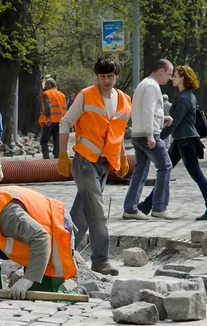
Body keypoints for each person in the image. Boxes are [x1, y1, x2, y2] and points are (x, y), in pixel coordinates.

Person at [57, 53, 131, 276]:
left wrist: (123, 155)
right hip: (85, 162)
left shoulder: (124, 100)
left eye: (109, 76)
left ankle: (61, 253)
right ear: (97, 76)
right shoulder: (86, 96)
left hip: (104, 165)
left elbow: (116, 133)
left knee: (81, 215)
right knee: (98, 213)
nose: (106, 80)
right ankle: (100, 260)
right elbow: (65, 122)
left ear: (116, 76)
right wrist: (62, 155)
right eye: (102, 76)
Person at [0, 186, 77, 299]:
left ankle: (75, 293)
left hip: (56, 232)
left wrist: (27, 279)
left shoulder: (8, 215)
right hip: (30, 238)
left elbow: (41, 238)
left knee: (41, 299)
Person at [140, 65, 207, 221]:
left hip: (185, 141)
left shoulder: (184, 98)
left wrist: (158, 138)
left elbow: (174, 123)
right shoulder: (186, 95)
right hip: (181, 140)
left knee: (196, 175)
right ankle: (146, 206)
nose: (172, 78)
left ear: (182, 78)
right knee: (165, 172)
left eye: (175, 75)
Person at [122, 59, 177, 221]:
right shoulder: (153, 86)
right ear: (161, 71)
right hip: (148, 135)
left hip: (138, 134)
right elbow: (147, 110)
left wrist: (162, 117)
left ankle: (130, 208)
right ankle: (160, 207)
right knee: (165, 167)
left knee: (140, 172)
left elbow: (146, 112)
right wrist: (150, 135)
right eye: (168, 74)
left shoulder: (143, 84)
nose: (169, 78)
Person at [38, 78, 67, 159]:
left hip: (49, 121)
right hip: (60, 122)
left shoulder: (46, 94)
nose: (45, 86)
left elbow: (47, 106)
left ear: (50, 84)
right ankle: (56, 161)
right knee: (57, 142)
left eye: (47, 84)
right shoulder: (62, 95)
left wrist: (47, 118)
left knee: (44, 141)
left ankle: (46, 160)